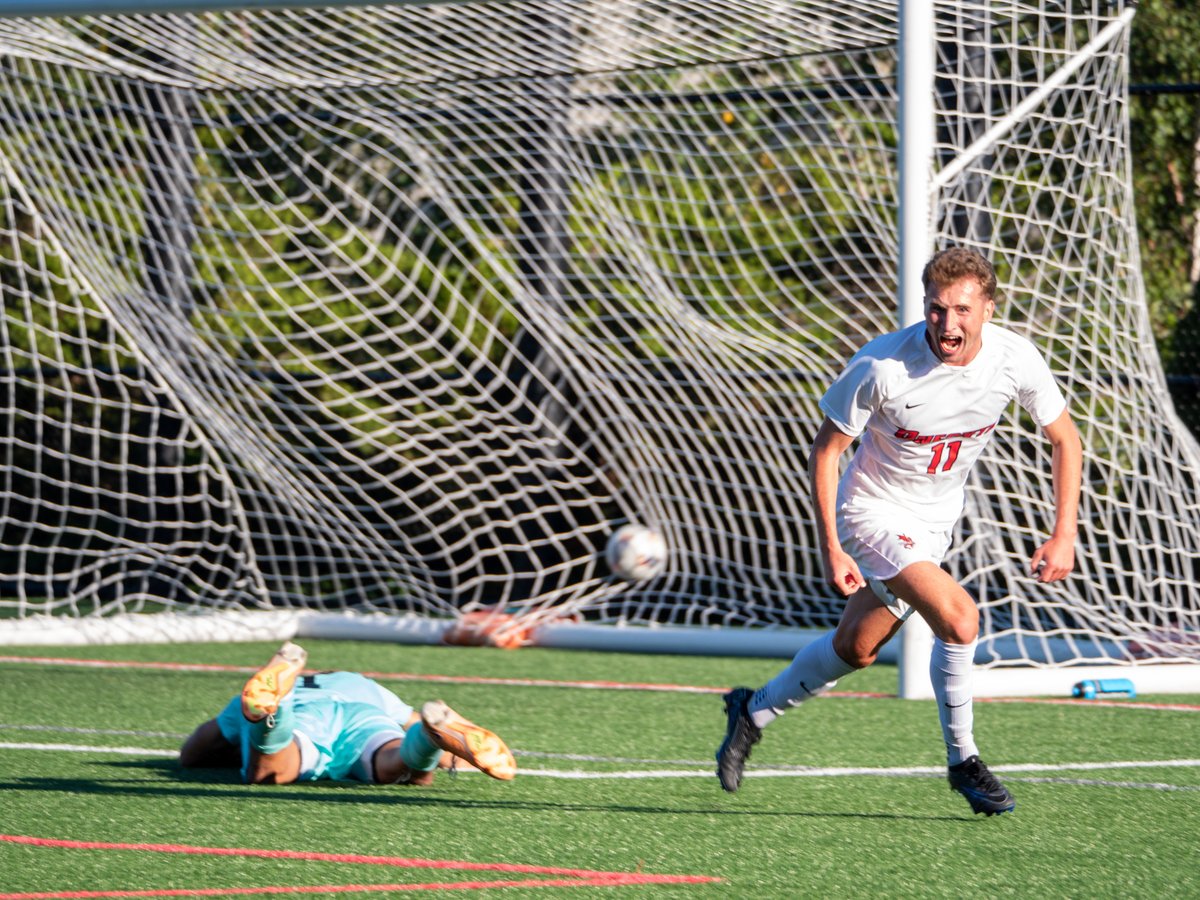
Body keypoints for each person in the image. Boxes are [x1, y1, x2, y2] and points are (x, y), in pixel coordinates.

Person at [716, 247, 1081, 815]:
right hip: (871, 513)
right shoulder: (882, 366)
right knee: (960, 617)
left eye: (961, 310)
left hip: (934, 525)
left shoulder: (1015, 358)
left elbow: (1066, 439)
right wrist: (833, 545)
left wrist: (1065, 533)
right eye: (937, 310)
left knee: (855, 650)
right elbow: (827, 451)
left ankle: (753, 710)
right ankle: (964, 761)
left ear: (988, 308)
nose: (947, 324)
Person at [180, 641, 516, 786]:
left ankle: (276, 713)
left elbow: (196, 748)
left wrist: (220, 751)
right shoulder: (360, 683)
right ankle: (428, 739)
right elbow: (449, 761)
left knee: (268, 770)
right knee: (407, 769)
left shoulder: (274, 691)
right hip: (364, 717)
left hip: (305, 719)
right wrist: (449, 760)